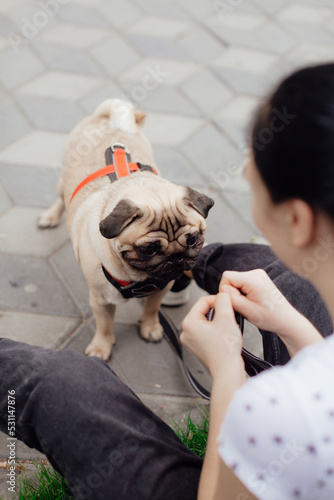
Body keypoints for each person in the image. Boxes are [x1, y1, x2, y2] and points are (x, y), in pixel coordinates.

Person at [0, 62, 333, 500]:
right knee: (243, 267)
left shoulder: (276, 410)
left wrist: (227, 370)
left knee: (66, 378)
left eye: (253, 182)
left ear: (297, 219)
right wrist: (295, 329)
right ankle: (202, 263)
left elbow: (215, 495)